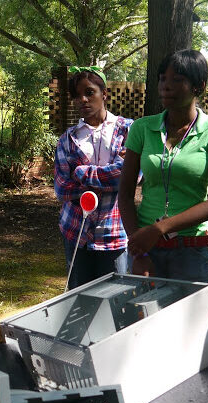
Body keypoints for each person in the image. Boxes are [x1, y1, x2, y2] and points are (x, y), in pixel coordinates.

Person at [118, 50, 208, 282]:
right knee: (145, 317)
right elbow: (125, 193)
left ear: (198, 86)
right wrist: (138, 247)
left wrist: (160, 228)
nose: (166, 86)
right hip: (145, 247)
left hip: (191, 249)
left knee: (190, 319)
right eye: (163, 78)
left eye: (177, 79)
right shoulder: (142, 128)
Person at [54, 66, 132, 289]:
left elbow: (130, 177)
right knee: (79, 301)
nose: (83, 100)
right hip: (76, 232)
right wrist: (109, 178)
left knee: (115, 302)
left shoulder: (128, 131)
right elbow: (62, 189)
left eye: (90, 92)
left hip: (113, 232)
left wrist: (80, 173)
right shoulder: (68, 139)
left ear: (104, 93)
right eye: (77, 96)